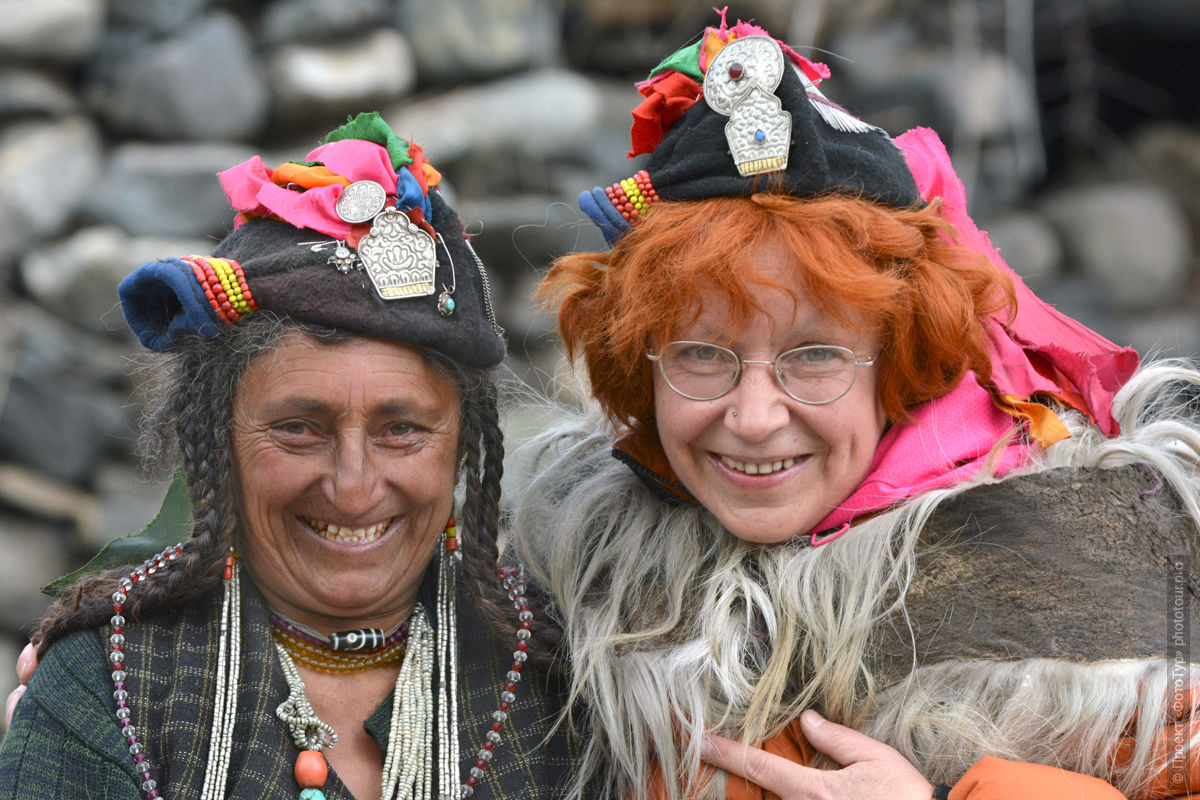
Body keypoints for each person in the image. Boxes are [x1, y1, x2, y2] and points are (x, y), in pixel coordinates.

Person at [509, 15, 1200, 800]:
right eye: (704, 354)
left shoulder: (1097, 587)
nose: (757, 416)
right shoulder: (580, 582)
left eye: (815, 356)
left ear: (903, 365)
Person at [0, 113, 580, 799]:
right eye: (300, 428)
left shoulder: (561, 678)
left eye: (402, 429)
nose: (354, 487)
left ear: (462, 446)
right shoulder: (113, 688)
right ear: (218, 440)